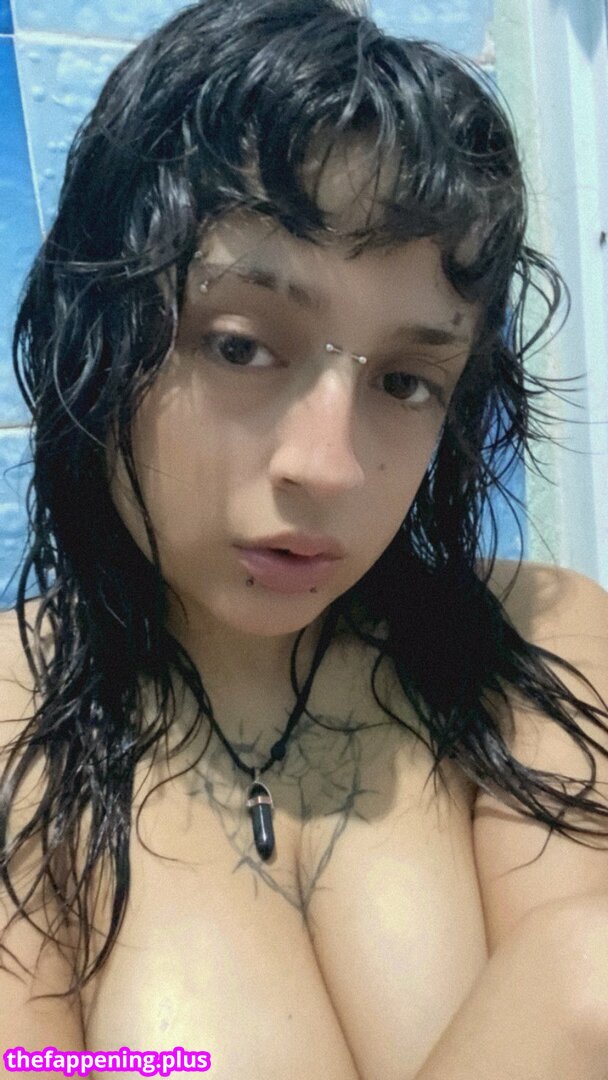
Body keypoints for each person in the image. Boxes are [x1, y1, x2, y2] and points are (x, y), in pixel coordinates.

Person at [1, 1, 607, 1077]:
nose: (327, 467)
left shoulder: (533, 647)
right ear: (101, 327)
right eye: (239, 345)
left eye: (405, 380)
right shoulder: (14, 719)